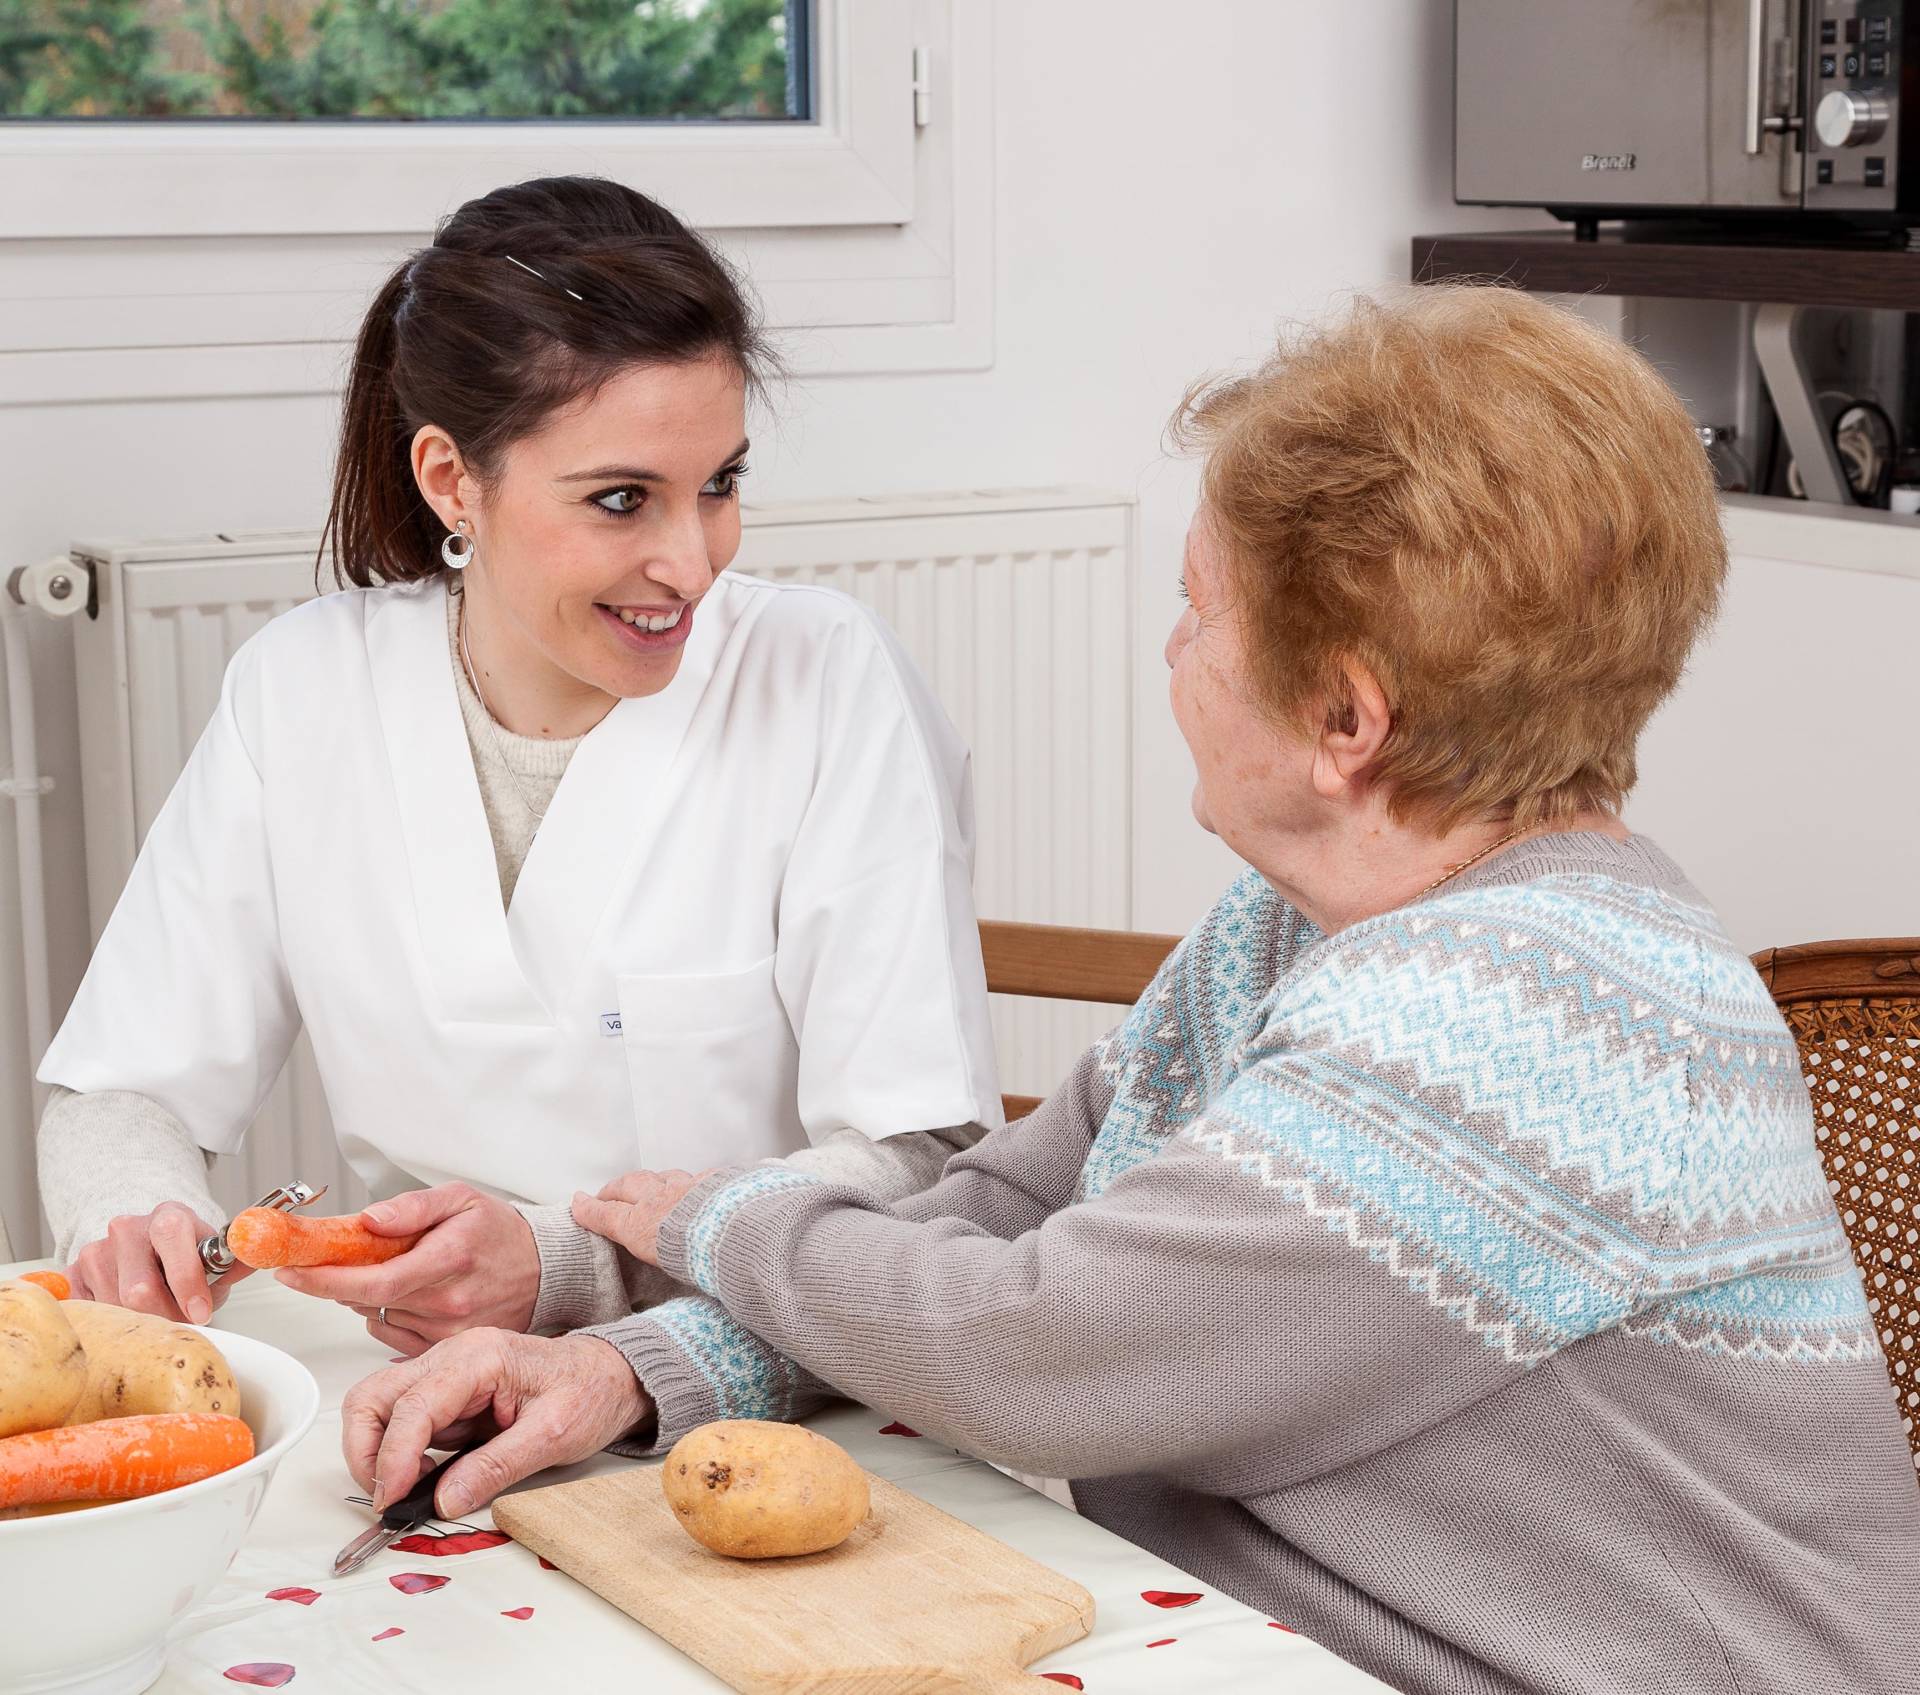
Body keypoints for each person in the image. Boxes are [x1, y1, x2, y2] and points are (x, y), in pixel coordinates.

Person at [340, 286, 1920, 1695]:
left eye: (1202, 606)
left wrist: (706, 1218)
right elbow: (1012, 1208)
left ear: (1345, 716)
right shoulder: (1311, 918)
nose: (1173, 648)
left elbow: (1048, 1346)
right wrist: (636, 1367)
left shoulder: (1528, 1011)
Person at [35, 175, 1002, 1352]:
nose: (692, 563)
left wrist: (562, 1269)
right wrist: (137, 1215)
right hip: (406, 1371)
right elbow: (121, 1087)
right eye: (620, 500)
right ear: (453, 479)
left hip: (750, 1363)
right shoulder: (302, 691)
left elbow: (920, 1162)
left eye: (721, 486)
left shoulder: (829, 681)